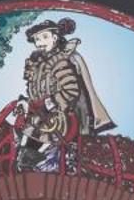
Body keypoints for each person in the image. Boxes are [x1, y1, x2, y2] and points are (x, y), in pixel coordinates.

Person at [15, 16, 115, 171]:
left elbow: (71, 90)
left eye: (45, 37)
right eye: (37, 39)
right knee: (24, 136)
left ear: (55, 38)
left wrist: (51, 103)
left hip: (59, 117)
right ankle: (26, 162)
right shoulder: (36, 66)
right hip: (39, 115)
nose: (40, 42)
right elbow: (35, 94)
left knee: (38, 138)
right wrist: (26, 103)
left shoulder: (60, 62)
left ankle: (41, 162)